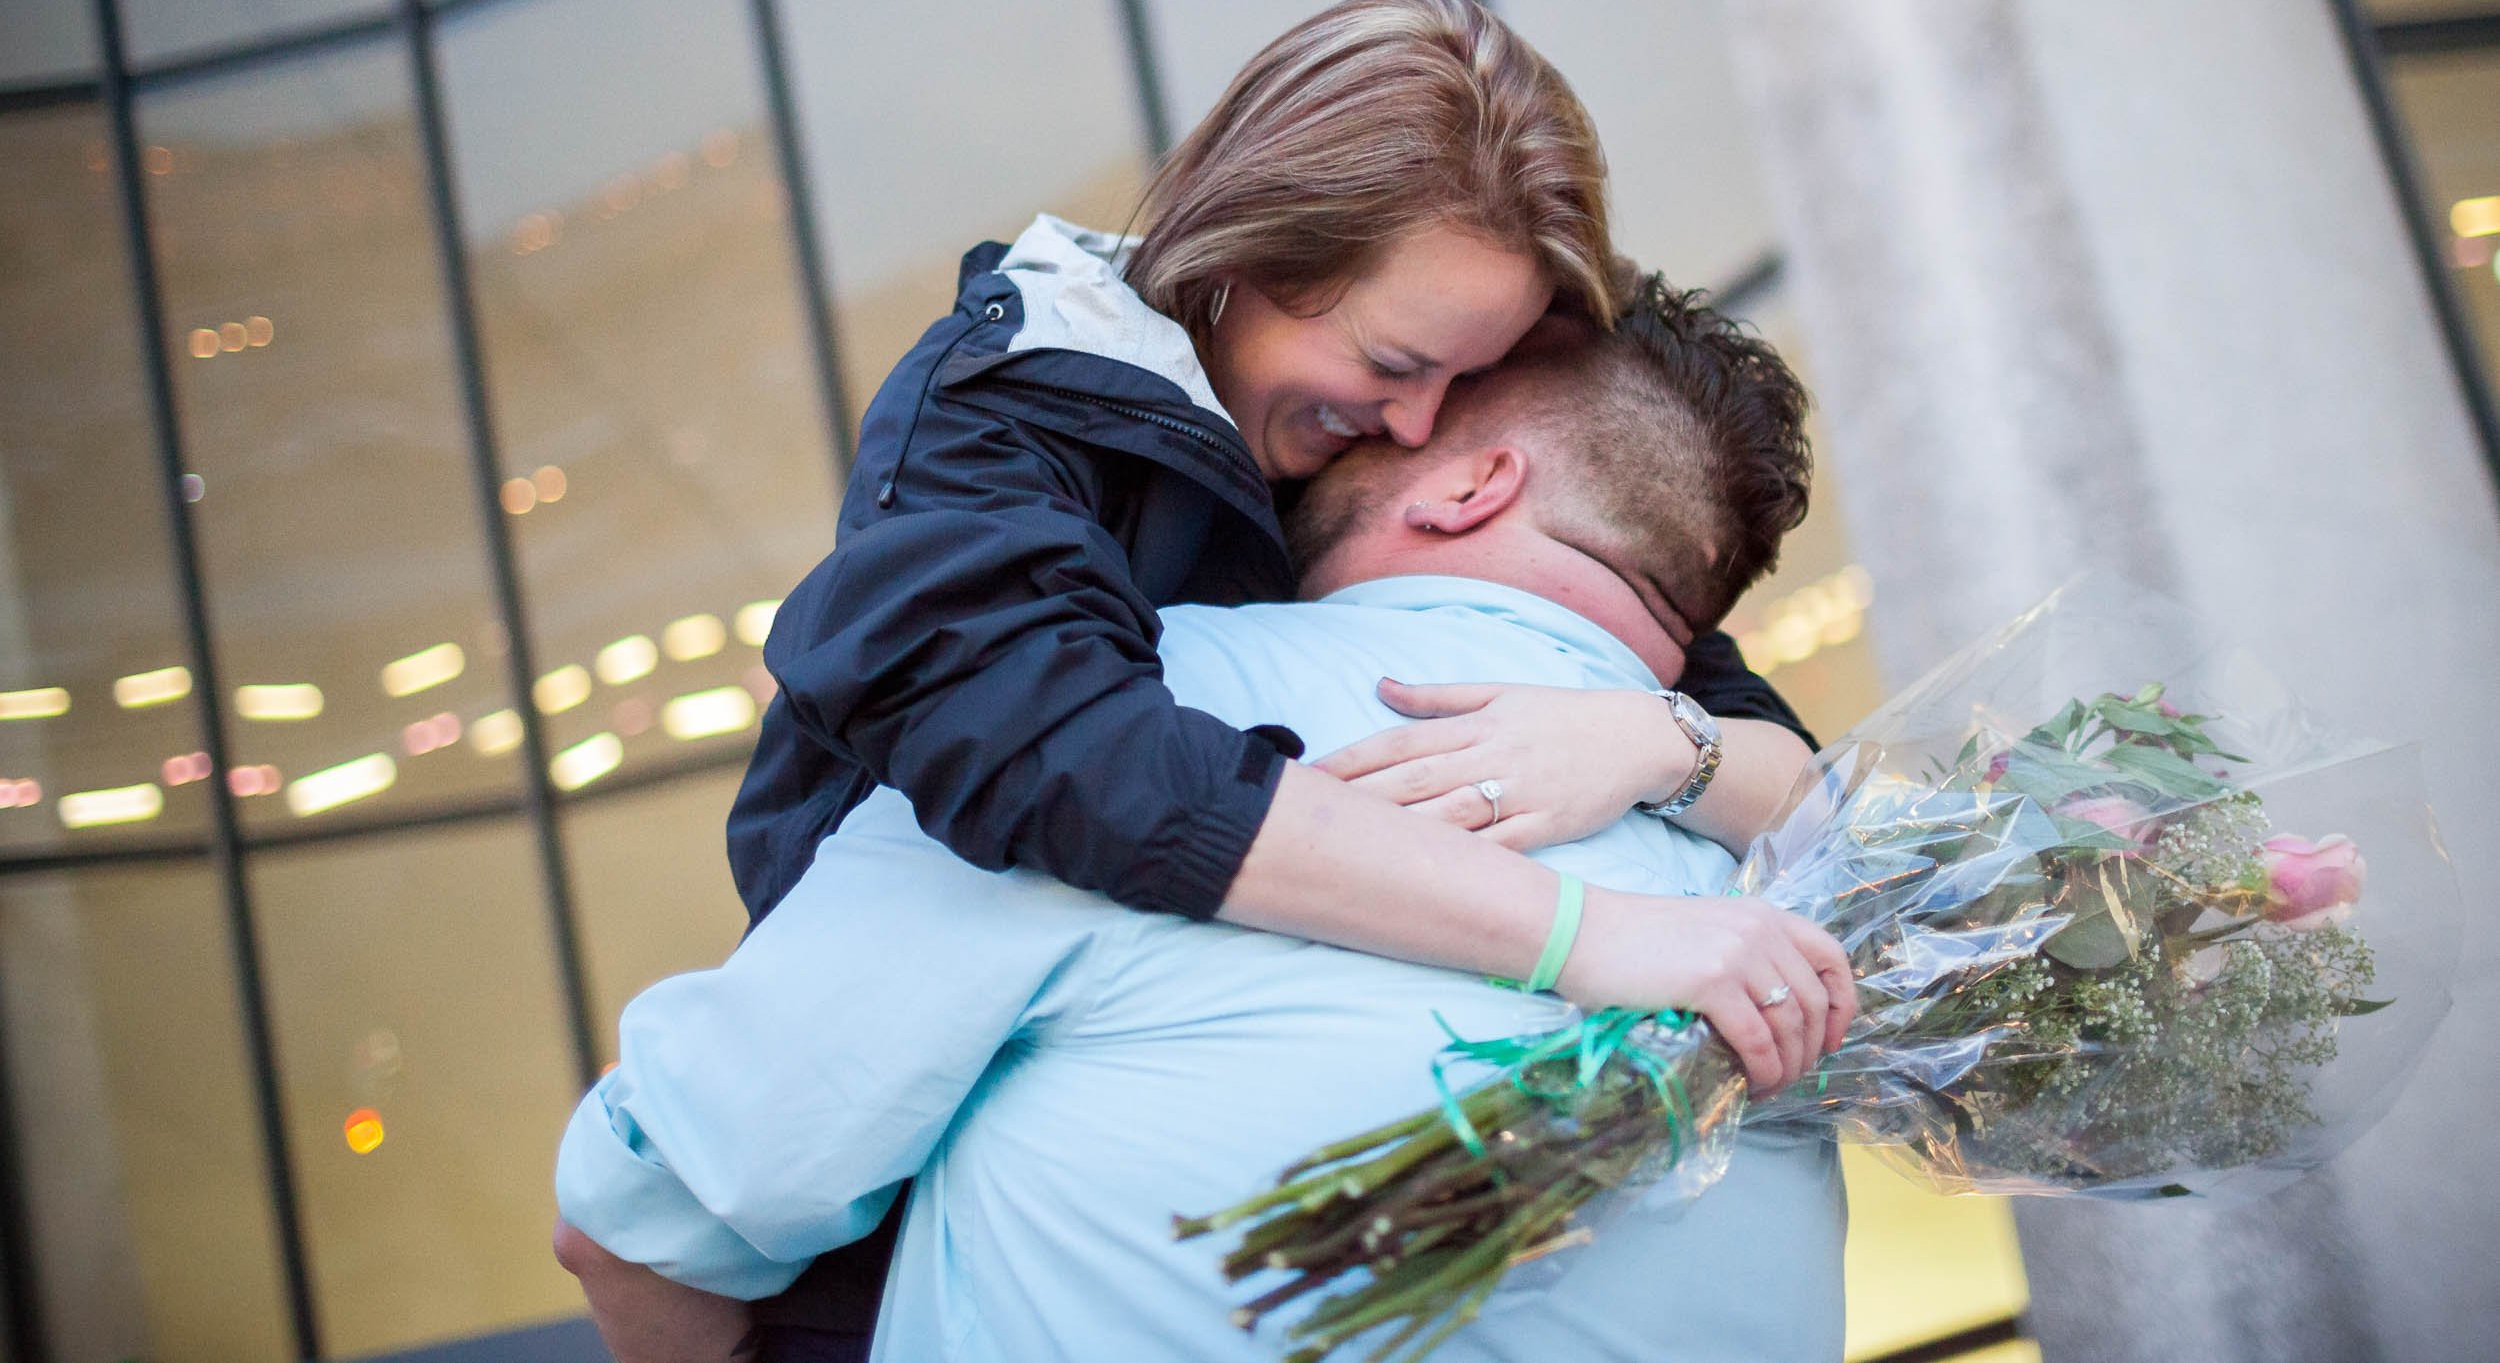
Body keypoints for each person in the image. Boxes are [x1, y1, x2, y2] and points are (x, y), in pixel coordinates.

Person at [719, 0, 1820, 1353]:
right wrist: (1592, 934)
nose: (1414, 423)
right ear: (1248, 252)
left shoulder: (1367, 443)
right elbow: (1072, 766)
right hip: (878, 1153)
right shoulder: (1009, 415)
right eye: (1398, 362)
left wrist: (1664, 741)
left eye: (1462, 387)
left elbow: (1804, 778)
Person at [557, 287, 1853, 1362]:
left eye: (1383, 418)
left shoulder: (1125, 708)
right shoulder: (1808, 897)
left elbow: (649, 1214)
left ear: (1474, 484)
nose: (1321, 446)